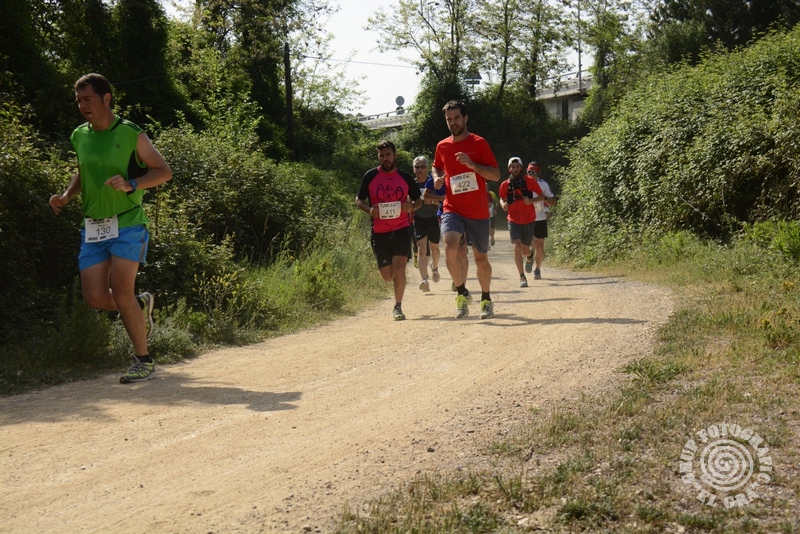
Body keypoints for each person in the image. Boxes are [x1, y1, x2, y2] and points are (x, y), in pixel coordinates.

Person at [49, 73, 172, 384]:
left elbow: (163, 171)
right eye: (79, 100)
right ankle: (140, 304)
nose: (82, 105)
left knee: (121, 291)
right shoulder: (80, 135)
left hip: (128, 222)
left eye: (88, 99)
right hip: (93, 226)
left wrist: (132, 184)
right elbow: (84, 172)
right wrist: (66, 195)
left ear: (106, 98)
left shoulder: (130, 133)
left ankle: (143, 361)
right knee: (94, 297)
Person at [432, 100, 500, 319]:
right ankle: (462, 294)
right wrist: (436, 177)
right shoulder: (442, 146)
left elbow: (495, 175)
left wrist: (473, 165)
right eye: (449, 119)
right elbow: (436, 166)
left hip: (477, 211)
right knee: (449, 248)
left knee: (481, 260)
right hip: (452, 208)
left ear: (465, 118)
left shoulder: (479, 143)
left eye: (456, 118)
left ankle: (486, 300)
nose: (453, 122)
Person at [356, 140, 422, 320]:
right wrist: (369, 210)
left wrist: (411, 207)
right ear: (378, 157)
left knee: (399, 269)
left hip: (401, 229)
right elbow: (359, 199)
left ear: (395, 156)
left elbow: (418, 200)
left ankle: (398, 307)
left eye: (388, 155)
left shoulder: (405, 177)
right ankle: (396, 290)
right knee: (387, 276)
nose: (385, 158)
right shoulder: (370, 176)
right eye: (382, 156)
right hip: (379, 232)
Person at [499, 157, 545, 287]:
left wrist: (531, 201)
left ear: (521, 168)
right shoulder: (505, 184)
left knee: (525, 251)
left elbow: (542, 196)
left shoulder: (529, 181)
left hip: (529, 219)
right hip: (513, 219)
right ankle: (522, 276)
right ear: (509, 169)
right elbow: (502, 198)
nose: (515, 169)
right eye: (513, 167)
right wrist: (503, 205)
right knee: (516, 247)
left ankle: (530, 256)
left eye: (517, 167)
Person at [411, 156, 443, 292]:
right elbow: (407, 201)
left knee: (434, 249)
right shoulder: (411, 184)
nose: (420, 169)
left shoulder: (433, 182)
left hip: (433, 218)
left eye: (422, 167)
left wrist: (433, 201)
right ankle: (424, 279)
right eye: (417, 167)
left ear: (427, 168)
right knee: (421, 249)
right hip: (419, 219)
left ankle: (434, 267)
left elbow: (442, 200)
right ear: (414, 169)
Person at [529, 161, 557, 280]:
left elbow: (553, 201)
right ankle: (530, 254)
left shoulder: (543, 185)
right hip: (527, 218)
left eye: (534, 173)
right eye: (530, 172)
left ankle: (537, 269)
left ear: (539, 173)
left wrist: (544, 198)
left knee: (540, 245)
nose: (532, 175)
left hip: (540, 218)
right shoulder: (522, 184)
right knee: (529, 242)